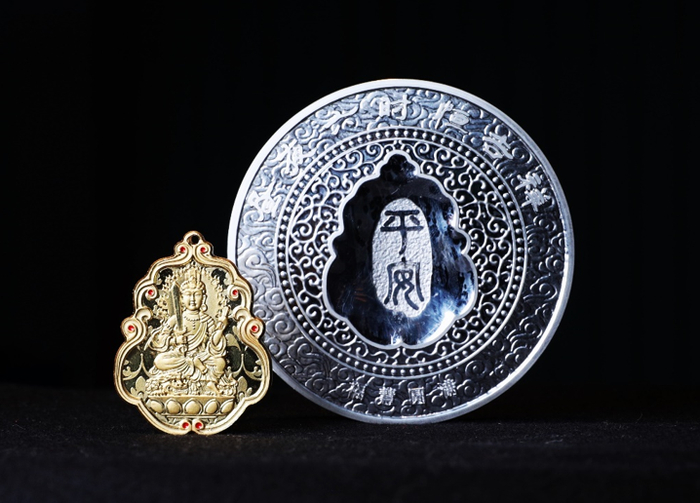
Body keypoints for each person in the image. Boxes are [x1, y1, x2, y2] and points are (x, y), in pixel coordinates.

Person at [147, 267, 228, 395]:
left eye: (197, 294)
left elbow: (214, 345)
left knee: (220, 362)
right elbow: (160, 340)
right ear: (181, 298)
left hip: (201, 356)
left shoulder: (207, 320)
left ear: (204, 298)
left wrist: (220, 329)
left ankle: (209, 379)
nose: (193, 299)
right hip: (180, 357)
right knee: (159, 361)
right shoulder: (175, 319)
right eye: (188, 295)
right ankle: (196, 367)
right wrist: (175, 340)